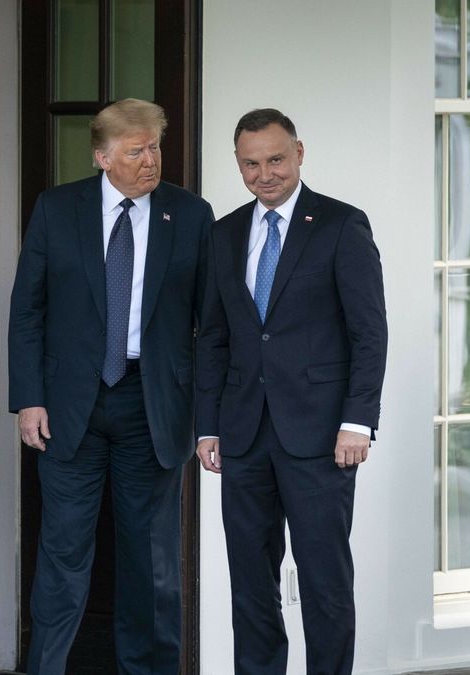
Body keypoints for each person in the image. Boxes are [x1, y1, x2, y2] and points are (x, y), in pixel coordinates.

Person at [8, 98, 213, 675]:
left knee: (151, 563)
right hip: (70, 407)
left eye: (155, 147)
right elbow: (28, 310)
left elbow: (210, 324)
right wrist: (28, 398)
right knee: (63, 555)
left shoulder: (190, 215)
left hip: (152, 405)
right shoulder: (56, 208)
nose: (151, 161)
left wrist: (208, 416)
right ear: (102, 157)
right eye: (135, 150)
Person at [195, 108, 387, 675]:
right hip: (243, 435)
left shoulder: (340, 225)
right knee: (250, 585)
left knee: (325, 582)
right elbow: (213, 338)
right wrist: (208, 425)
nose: (265, 174)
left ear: (299, 153)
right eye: (251, 163)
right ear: (237, 163)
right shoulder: (223, 234)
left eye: (275, 159)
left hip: (322, 436)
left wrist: (359, 420)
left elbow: (369, 333)